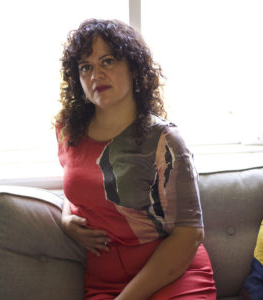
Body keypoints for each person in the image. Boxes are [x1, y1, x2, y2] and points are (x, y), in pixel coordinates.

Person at [55, 18, 216, 300]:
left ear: (133, 67)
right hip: (104, 282)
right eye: (86, 67)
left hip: (172, 274)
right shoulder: (69, 131)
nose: (96, 75)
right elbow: (83, 186)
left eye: (108, 61)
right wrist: (67, 219)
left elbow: (189, 235)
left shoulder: (165, 140)